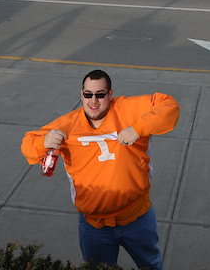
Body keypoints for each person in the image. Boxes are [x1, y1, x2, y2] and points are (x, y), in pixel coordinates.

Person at [21, 70, 179, 270]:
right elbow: (27, 146)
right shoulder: (68, 124)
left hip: (137, 218)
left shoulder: (127, 110)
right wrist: (44, 141)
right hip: (94, 227)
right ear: (81, 95)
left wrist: (138, 128)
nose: (93, 101)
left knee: (152, 265)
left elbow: (169, 105)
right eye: (88, 94)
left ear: (110, 94)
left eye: (100, 94)